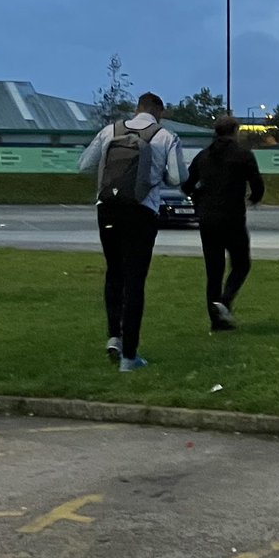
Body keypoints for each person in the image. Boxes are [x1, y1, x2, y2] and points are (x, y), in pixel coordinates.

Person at [78, 92, 186, 372]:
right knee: (135, 280)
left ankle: (114, 335)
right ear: (158, 112)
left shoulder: (109, 131)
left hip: (108, 210)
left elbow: (84, 164)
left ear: (137, 109)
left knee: (114, 272)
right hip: (141, 212)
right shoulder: (165, 136)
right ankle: (130, 356)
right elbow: (177, 178)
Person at [182, 114, 265, 331]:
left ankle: (216, 321)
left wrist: (198, 197)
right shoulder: (243, 155)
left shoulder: (203, 156)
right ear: (235, 131)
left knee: (214, 271)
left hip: (207, 219)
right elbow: (257, 186)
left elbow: (187, 184)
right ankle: (225, 302)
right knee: (241, 264)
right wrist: (253, 198)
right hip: (232, 218)